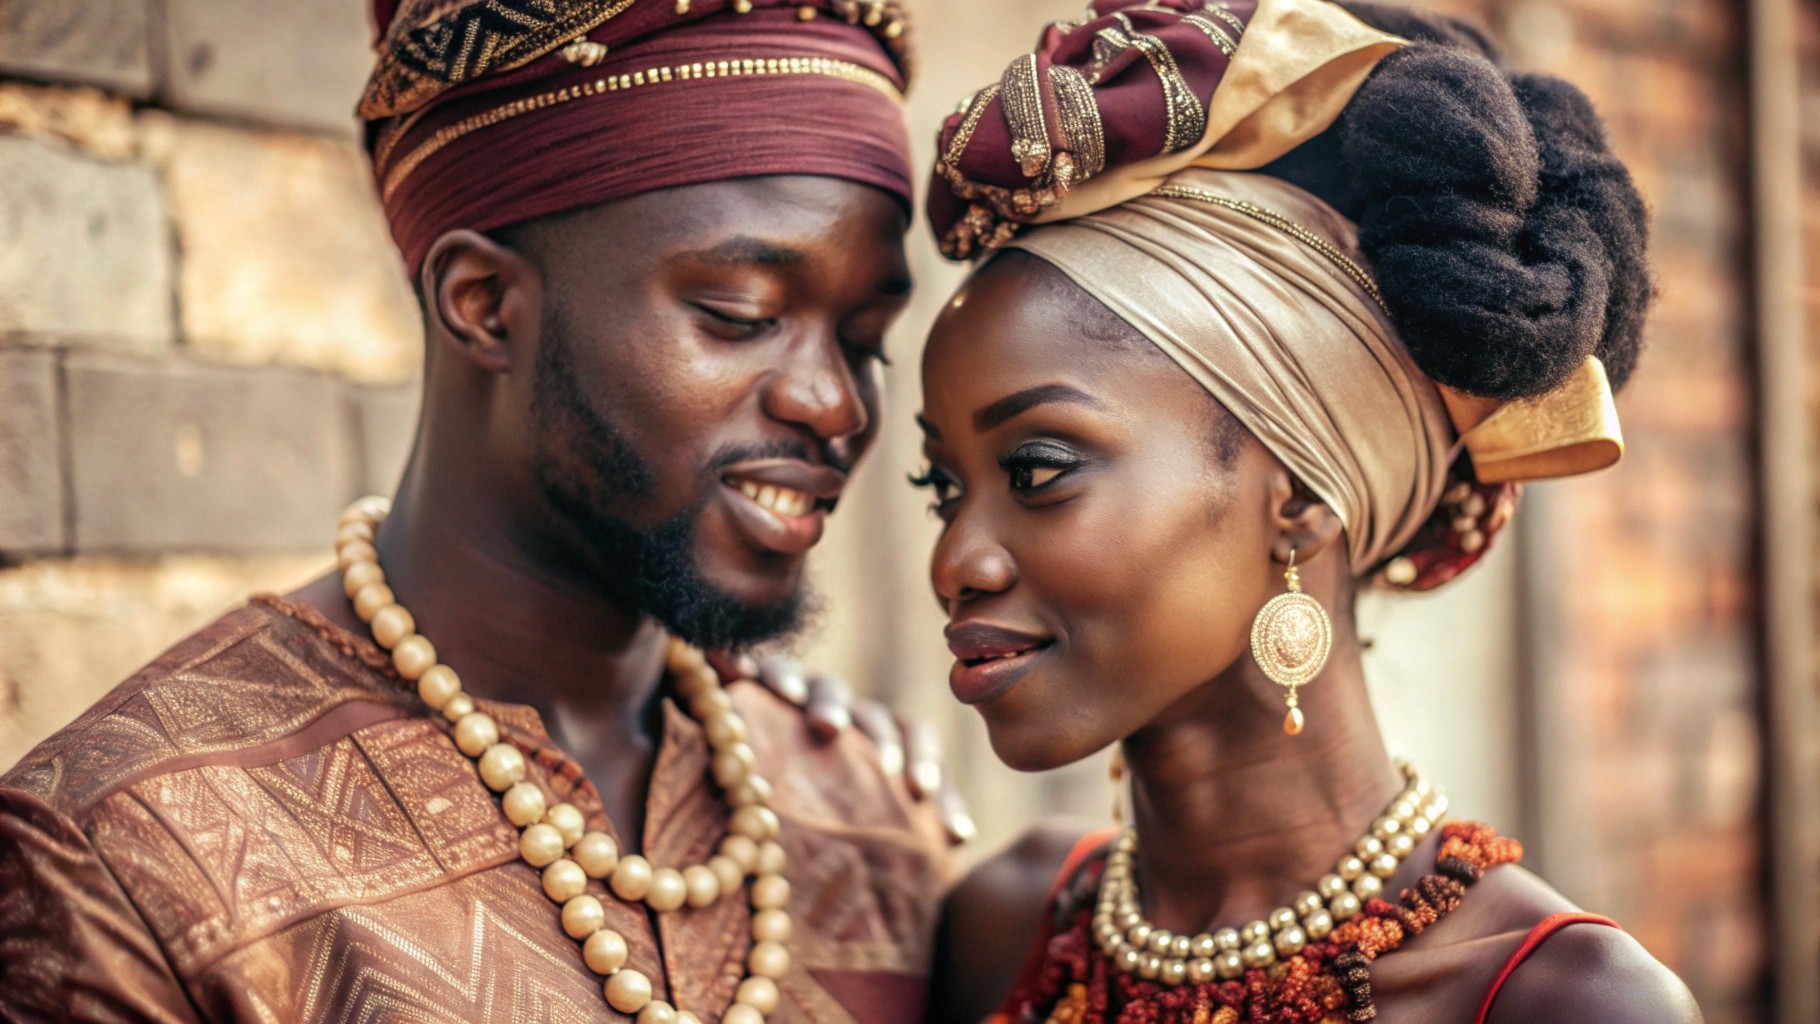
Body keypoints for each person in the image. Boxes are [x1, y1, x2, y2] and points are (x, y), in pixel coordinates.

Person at [0, 2, 964, 1022]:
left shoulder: (867, 818)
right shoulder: (133, 857)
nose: (835, 403)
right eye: (741, 318)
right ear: (482, 303)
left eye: (864, 338)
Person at [912, 1, 1701, 1022]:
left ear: (1295, 498)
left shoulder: (1555, 1002)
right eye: (941, 486)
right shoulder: (998, 926)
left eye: (1036, 469)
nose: (954, 560)